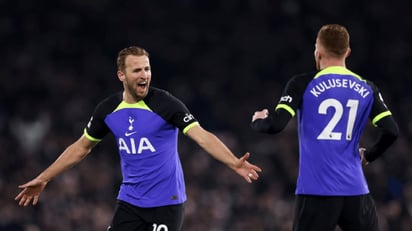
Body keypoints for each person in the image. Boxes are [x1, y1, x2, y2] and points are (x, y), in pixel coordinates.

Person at [15, 46, 262, 231]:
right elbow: (81, 147)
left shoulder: (166, 104)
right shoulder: (108, 109)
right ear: (121, 75)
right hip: (130, 201)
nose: (144, 74)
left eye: (147, 68)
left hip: (167, 203)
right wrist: (43, 178)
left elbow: (202, 136)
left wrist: (233, 163)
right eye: (137, 70)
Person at [251, 24, 399, 231]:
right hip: (355, 192)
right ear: (347, 51)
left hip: (316, 192)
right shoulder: (367, 87)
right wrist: (369, 156)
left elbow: (275, 126)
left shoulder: (302, 84)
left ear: (317, 51)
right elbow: (391, 131)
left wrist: (259, 120)